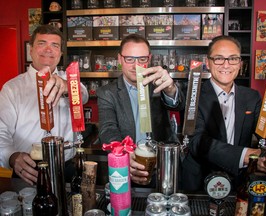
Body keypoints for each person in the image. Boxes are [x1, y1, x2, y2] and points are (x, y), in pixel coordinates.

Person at [182, 35, 266, 191]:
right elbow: (197, 142)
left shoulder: (252, 97)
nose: (226, 65)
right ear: (208, 62)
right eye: (219, 59)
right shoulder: (193, 94)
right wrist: (246, 155)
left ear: (240, 64)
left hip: (238, 183)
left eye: (233, 59)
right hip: (199, 183)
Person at [0, 25, 89, 185]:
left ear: (60, 54)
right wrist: (11, 156)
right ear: (31, 49)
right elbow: (1, 131)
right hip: (29, 169)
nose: (48, 49)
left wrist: (66, 86)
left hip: (68, 167)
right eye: (42, 43)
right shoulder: (12, 88)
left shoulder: (69, 81)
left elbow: (83, 95)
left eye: (55, 45)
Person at [97, 34, 185, 186]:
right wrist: (124, 155)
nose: (135, 65)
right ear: (119, 59)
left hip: (162, 166)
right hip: (125, 168)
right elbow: (108, 129)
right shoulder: (107, 93)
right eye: (129, 59)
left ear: (149, 58)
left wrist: (170, 88)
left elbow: (178, 105)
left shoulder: (159, 84)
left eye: (142, 59)